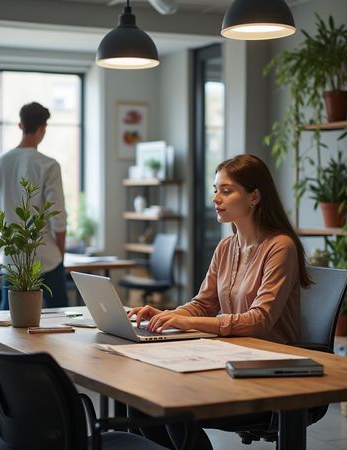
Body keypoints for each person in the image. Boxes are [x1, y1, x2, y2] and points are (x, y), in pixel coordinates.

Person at [127, 154, 312, 449]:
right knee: (141, 399)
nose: (216, 198)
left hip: (270, 370)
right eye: (216, 189)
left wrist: (184, 321)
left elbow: (260, 321)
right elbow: (203, 304)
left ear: (254, 196)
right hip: (229, 359)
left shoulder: (281, 247)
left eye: (226, 190)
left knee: (175, 404)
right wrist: (165, 314)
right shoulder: (226, 246)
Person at [0, 102, 68, 309]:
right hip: (46, 257)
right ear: (43, 128)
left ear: (20, 125)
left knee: (9, 318)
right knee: (62, 315)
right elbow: (57, 215)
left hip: (12, 255)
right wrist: (61, 251)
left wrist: (8, 218)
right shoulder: (48, 165)